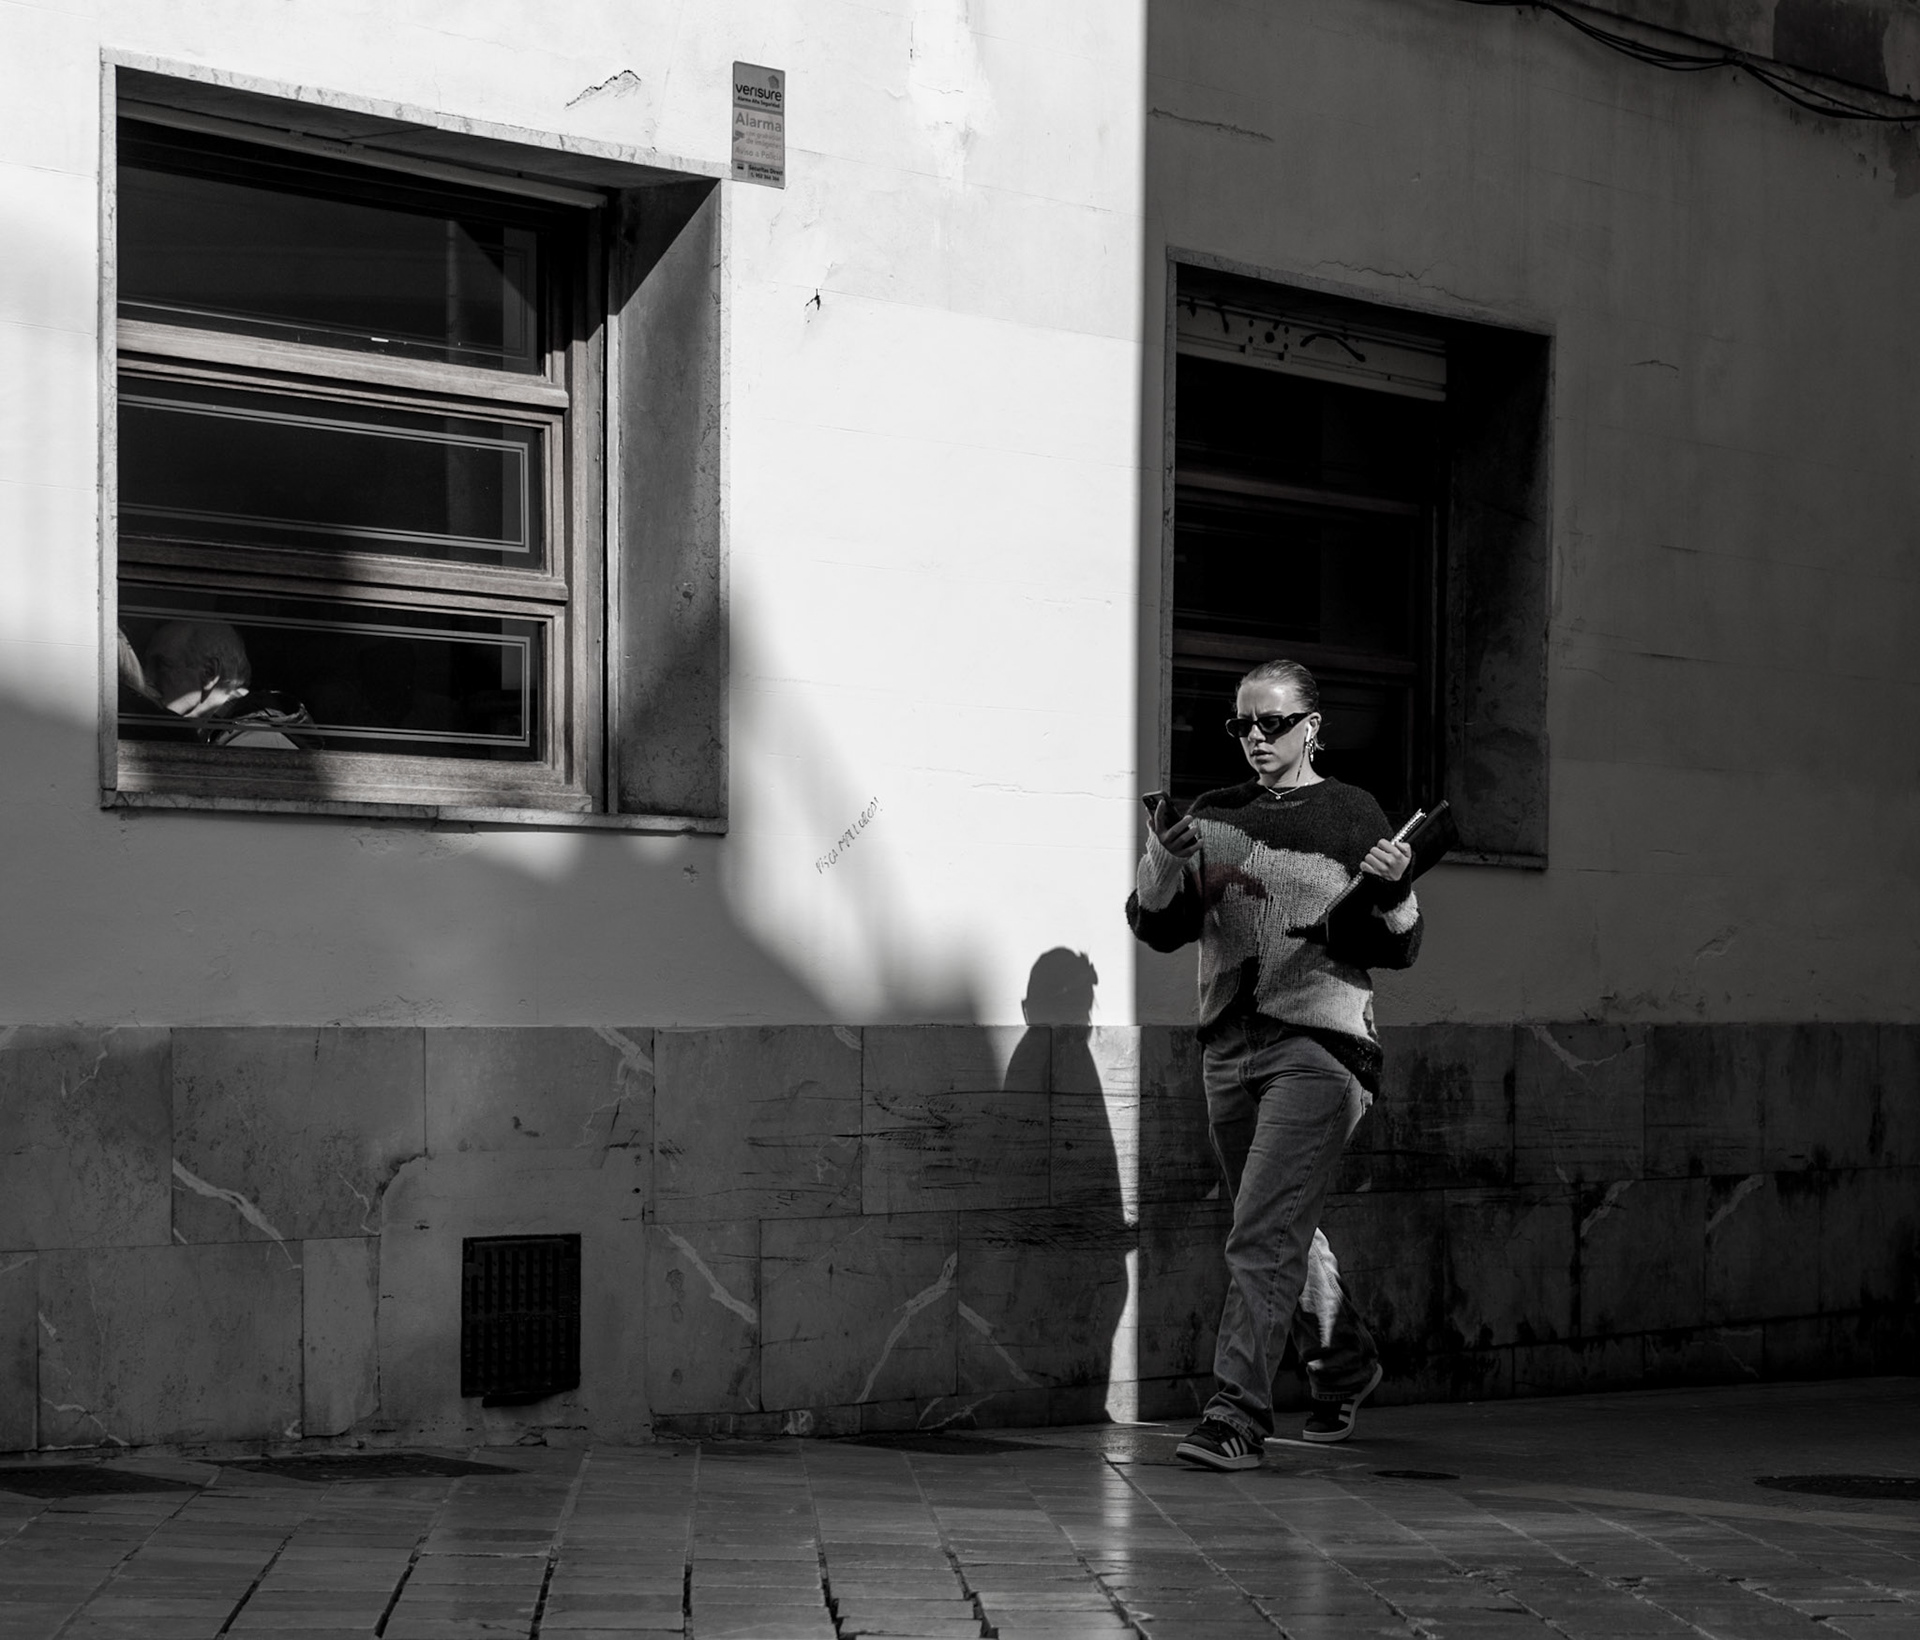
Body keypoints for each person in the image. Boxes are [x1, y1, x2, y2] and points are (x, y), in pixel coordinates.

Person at [1127, 658, 1422, 1470]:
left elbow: (1396, 944)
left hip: (1322, 1050)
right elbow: (1157, 927)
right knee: (1275, 1221)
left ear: (1312, 727)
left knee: (1262, 1227)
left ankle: (1236, 1415)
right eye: (1242, 725)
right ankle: (1345, 1362)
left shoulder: (1351, 812)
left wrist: (1395, 892)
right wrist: (1161, 857)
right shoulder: (1215, 814)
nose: (1256, 738)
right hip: (1229, 1047)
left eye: (1273, 723)